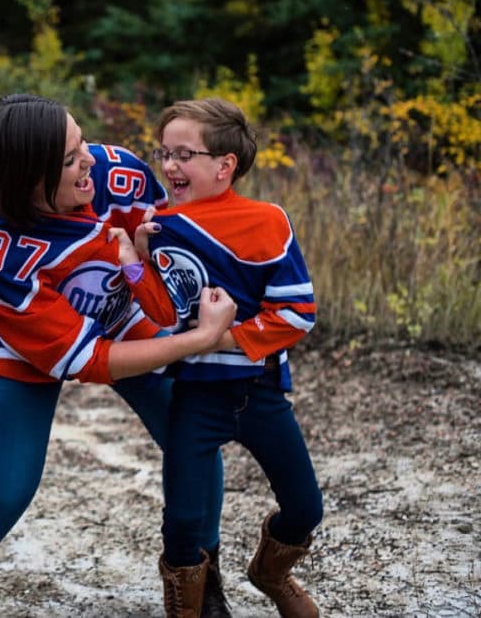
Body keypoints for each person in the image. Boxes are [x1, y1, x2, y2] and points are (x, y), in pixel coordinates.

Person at [0, 94, 237, 618]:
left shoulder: (116, 173)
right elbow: (91, 361)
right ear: (27, 178)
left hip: (123, 313)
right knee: (5, 491)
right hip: (25, 343)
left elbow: (178, 242)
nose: (89, 158)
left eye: (81, 141)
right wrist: (196, 342)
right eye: (68, 158)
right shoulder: (4, 259)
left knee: (191, 436)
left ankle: (203, 579)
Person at [121, 97, 322, 617]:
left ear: (224, 165)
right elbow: (166, 314)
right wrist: (140, 260)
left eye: (184, 154)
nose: (169, 166)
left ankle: (270, 573)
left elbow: (297, 312)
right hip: (196, 396)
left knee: (304, 507)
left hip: (261, 392)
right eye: (164, 153)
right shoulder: (164, 226)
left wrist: (221, 337)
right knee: (184, 525)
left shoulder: (267, 221)